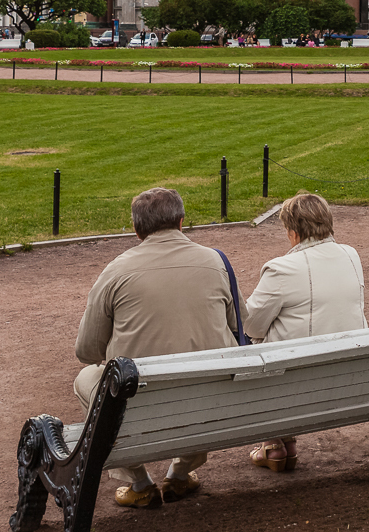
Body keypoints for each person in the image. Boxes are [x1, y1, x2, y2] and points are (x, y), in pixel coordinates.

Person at [74, 187, 246, 508]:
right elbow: (241, 328)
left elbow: (86, 352)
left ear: (137, 230)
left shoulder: (114, 271)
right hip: (210, 399)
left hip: (141, 404)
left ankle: (139, 482)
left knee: (86, 379)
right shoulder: (216, 262)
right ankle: (179, 476)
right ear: (182, 222)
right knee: (207, 371)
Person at [245, 193, 367, 474]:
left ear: (292, 232)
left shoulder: (282, 268)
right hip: (349, 373)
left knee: (249, 343)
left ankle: (274, 440)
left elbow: (251, 325)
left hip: (299, 384)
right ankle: (281, 440)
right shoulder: (351, 255)